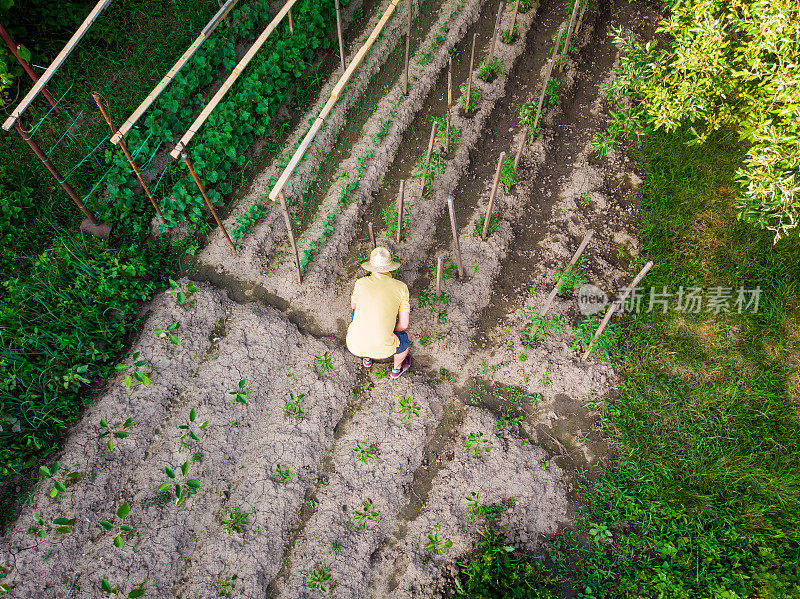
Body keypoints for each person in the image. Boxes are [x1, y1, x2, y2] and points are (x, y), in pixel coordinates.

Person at [346, 247, 412, 379]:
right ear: (390, 267)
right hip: (383, 348)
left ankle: (367, 359)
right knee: (405, 337)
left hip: (354, 345)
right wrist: (393, 332)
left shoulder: (360, 283)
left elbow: (354, 306)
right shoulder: (401, 287)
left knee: (357, 316)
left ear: (371, 267)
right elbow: (404, 324)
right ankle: (396, 369)